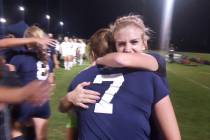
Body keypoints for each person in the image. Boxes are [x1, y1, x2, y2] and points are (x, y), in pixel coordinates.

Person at [59, 18, 181, 139]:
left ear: (145, 43)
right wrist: (69, 98)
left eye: (134, 42)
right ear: (115, 46)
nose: (128, 49)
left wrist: (99, 61)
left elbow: (120, 59)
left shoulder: (153, 61)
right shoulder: (148, 77)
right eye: (121, 44)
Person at [9, 25, 53, 140]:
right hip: (43, 103)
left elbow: (9, 80)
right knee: (41, 136)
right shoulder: (46, 58)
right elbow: (51, 80)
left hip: (26, 102)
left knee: (13, 130)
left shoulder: (18, 58)